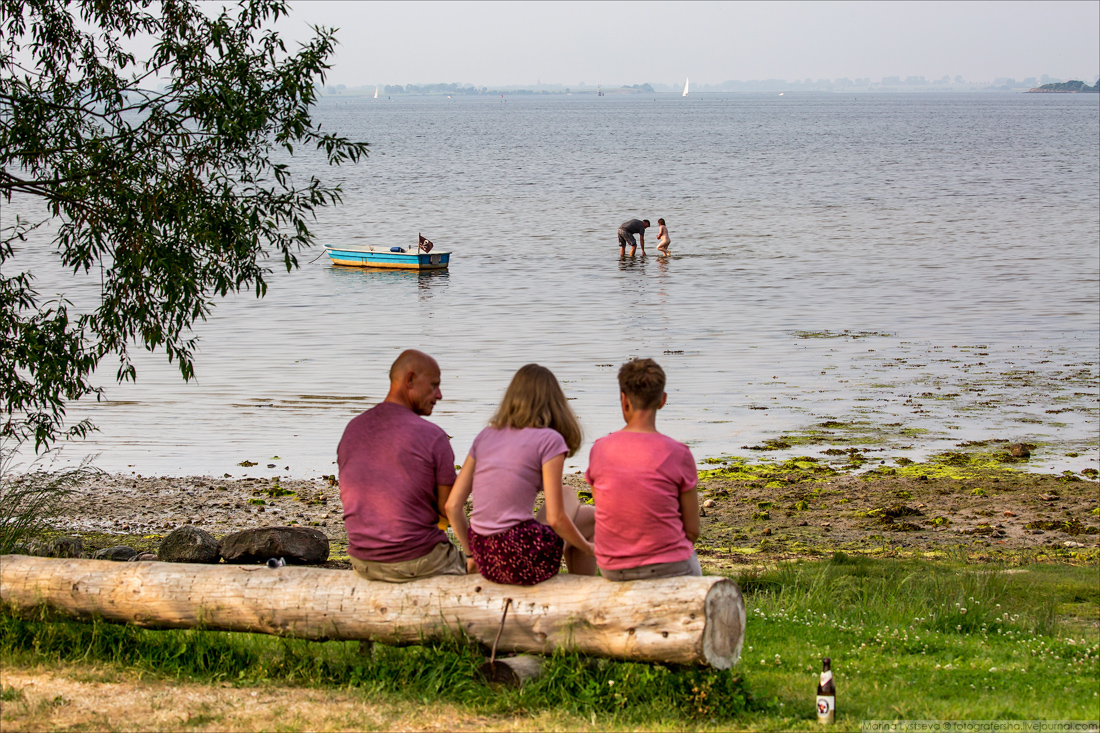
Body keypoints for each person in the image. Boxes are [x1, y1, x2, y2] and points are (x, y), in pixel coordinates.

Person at [446, 364, 596, 585]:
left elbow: (452, 506)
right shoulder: (549, 440)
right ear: (555, 403)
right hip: (522, 558)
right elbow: (556, 519)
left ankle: (580, 590)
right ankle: (583, 593)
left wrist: (471, 556)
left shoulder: (485, 436)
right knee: (569, 495)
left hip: (486, 558)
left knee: (589, 515)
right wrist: (588, 548)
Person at [337, 349, 465, 582]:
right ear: (410, 380)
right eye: (434, 385)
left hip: (363, 561)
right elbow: (448, 508)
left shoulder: (353, 429)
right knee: (474, 571)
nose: (439, 395)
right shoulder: (432, 436)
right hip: (419, 561)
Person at [584, 358, 701, 580]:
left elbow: (607, 510)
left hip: (614, 567)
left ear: (624, 400)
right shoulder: (679, 453)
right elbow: (693, 530)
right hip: (670, 566)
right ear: (662, 400)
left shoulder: (600, 449)